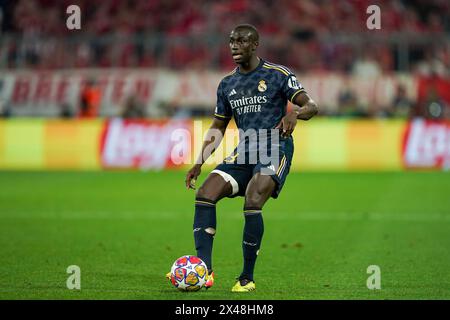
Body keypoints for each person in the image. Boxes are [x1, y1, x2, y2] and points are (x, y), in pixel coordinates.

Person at [166, 24, 318, 292]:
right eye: (231, 41)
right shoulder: (227, 84)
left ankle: (246, 278)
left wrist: (294, 114)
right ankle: (204, 270)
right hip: (244, 150)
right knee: (204, 194)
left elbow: (311, 106)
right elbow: (218, 126)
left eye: (241, 41)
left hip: (274, 146)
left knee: (252, 200)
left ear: (255, 44)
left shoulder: (278, 74)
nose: (235, 45)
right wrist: (199, 162)